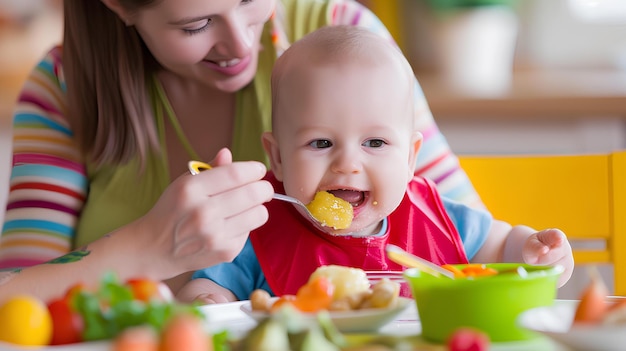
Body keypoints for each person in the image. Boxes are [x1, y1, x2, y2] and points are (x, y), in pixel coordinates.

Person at [0, 0, 483, 304]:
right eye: (196, 24)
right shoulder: (64, 89)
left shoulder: (341, 35)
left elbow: (458, 234)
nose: (240, 42)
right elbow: (10, 297)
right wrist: (146, 248)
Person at [176, 25, 574, 303]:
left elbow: (499, 247)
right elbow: (210, 290)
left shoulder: (435, 218)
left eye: (375, 142)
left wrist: (531, 252)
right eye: (321, 142)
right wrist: (204, 303)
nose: (348, 163)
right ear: (277, 156)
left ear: (410, 158)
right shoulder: (259, 230)